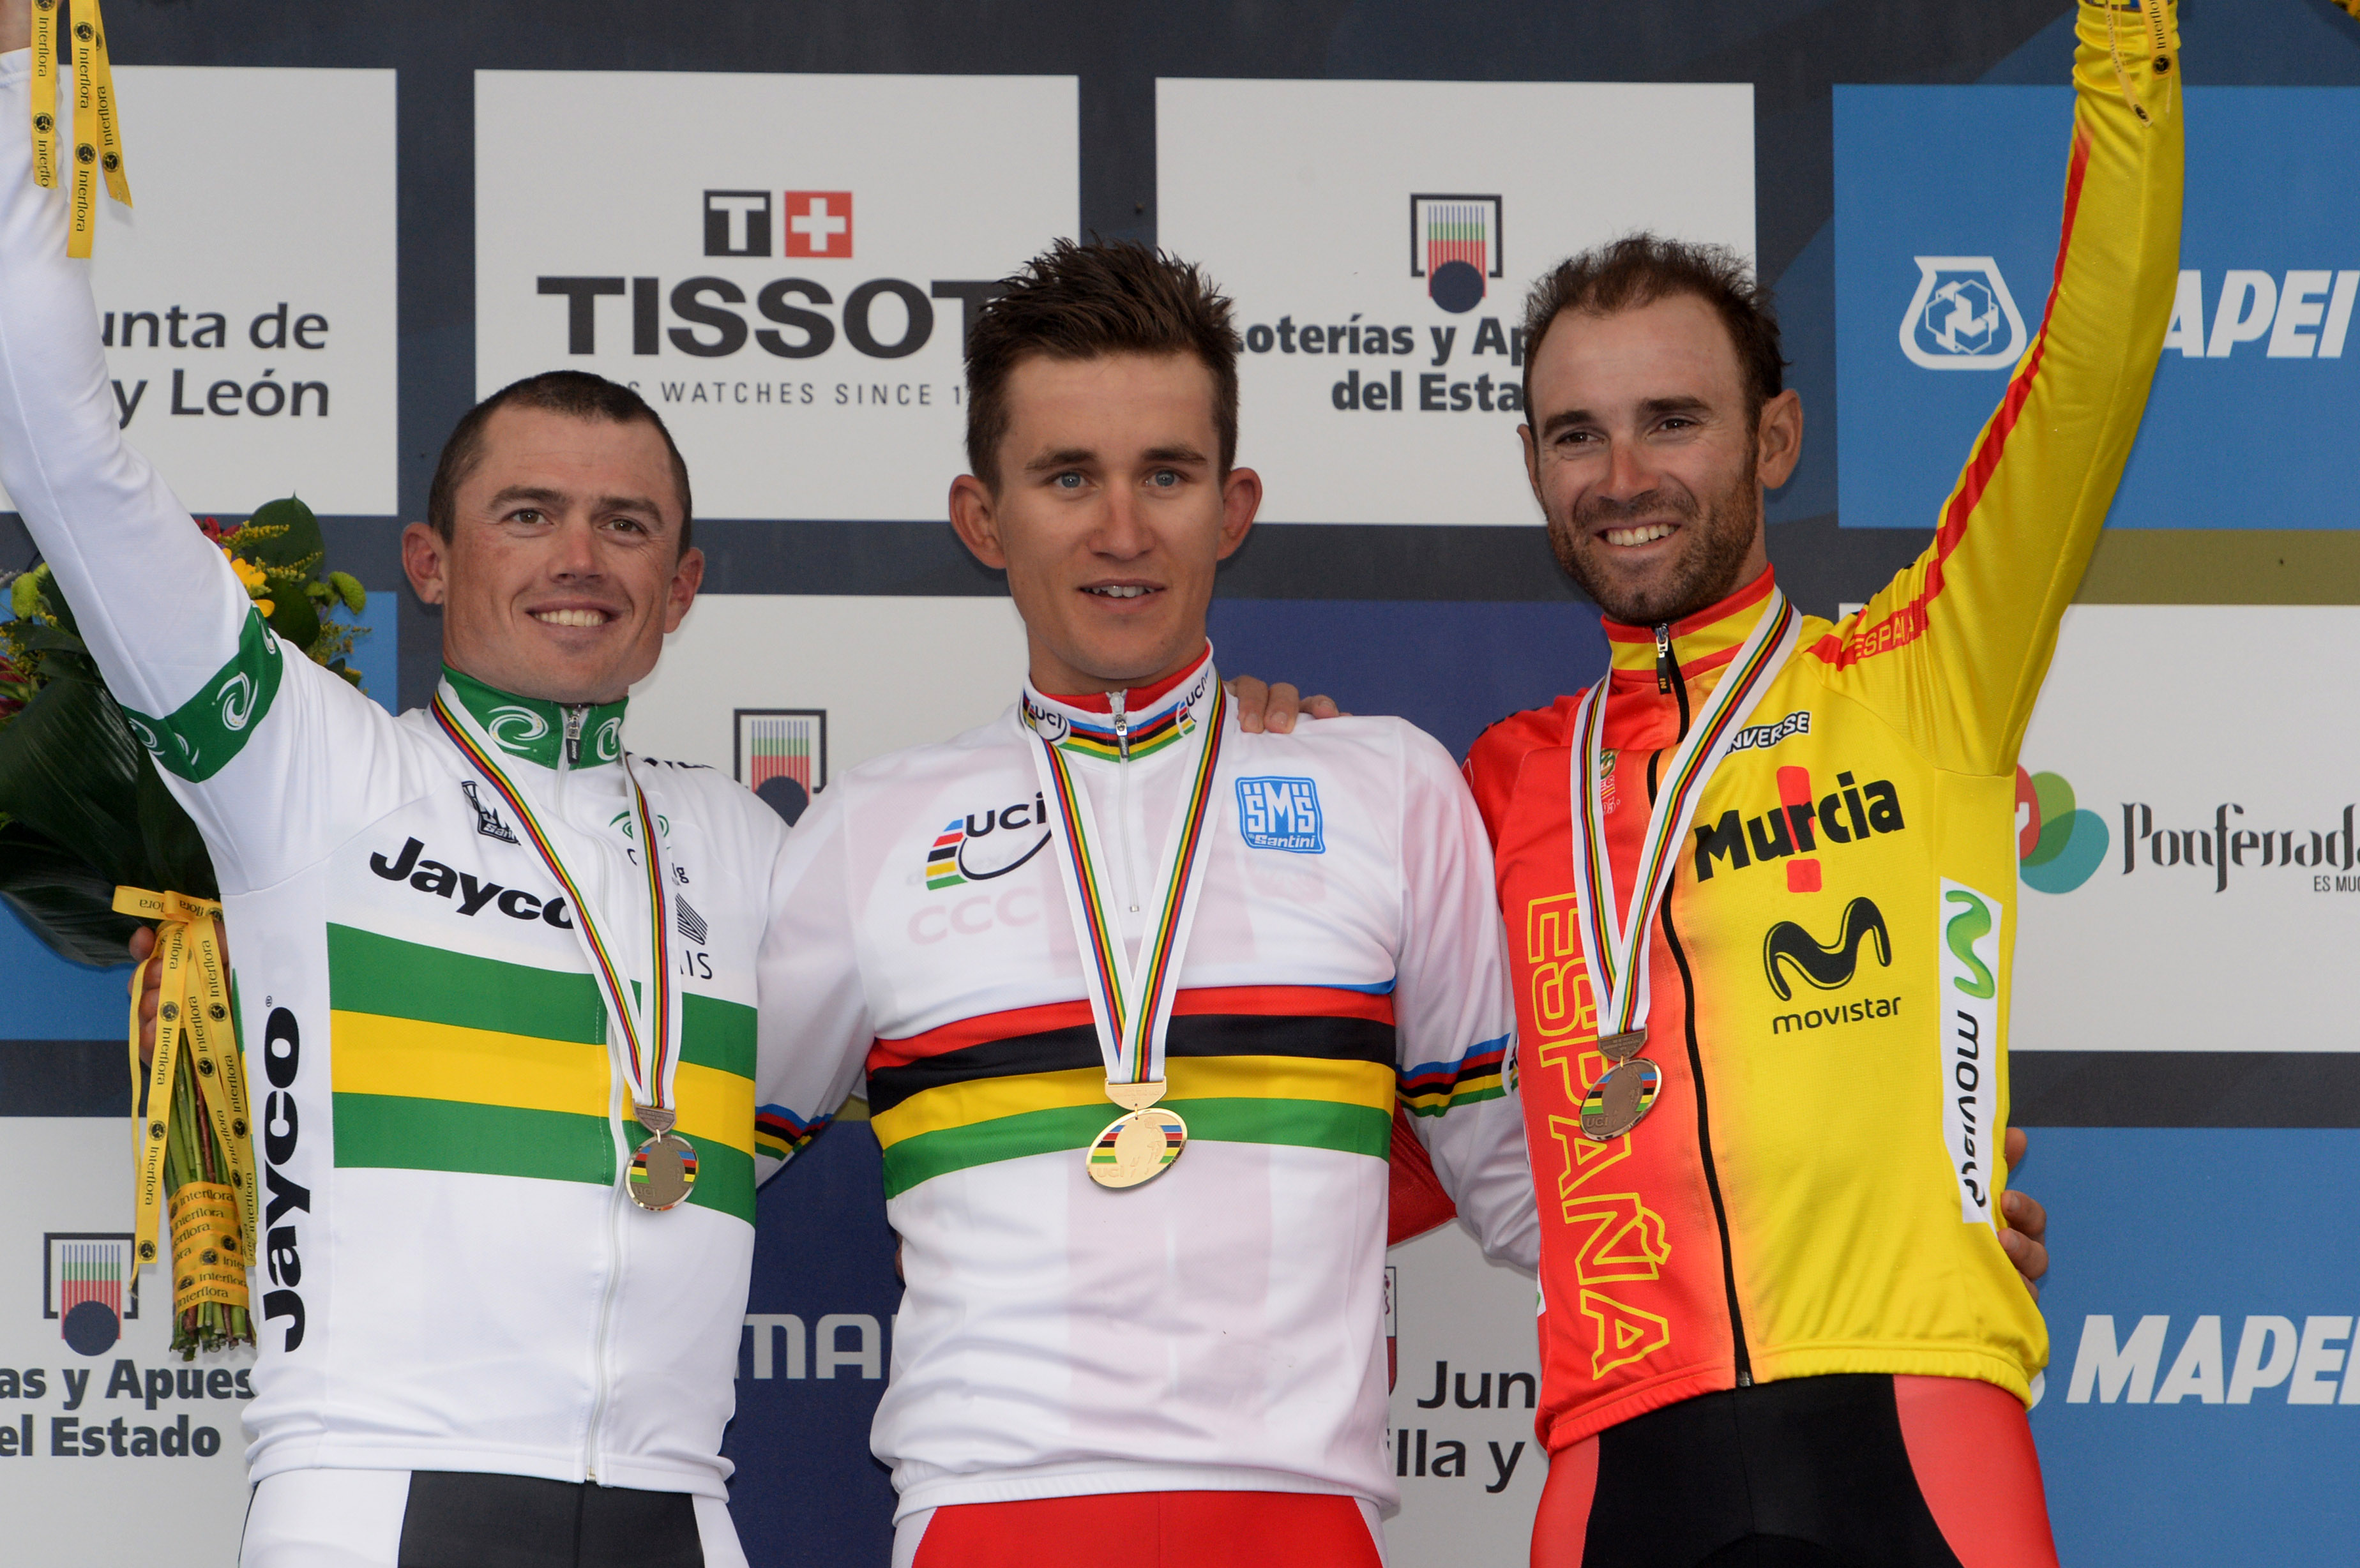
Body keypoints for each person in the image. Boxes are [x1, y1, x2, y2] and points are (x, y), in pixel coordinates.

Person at [1460, 3, 2184, 1563]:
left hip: (1915, 1425)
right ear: (1533, 468)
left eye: (1675, 421)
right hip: (1613, 1459)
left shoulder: (1926, 674)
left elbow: (2094, 360)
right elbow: (1330, 1089)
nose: (1625, 476)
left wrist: (2129, 40)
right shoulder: (1498, 785)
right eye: (1575, 434)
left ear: (1773, 438)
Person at [756, 238, 1539, 1567]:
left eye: (1165, 476)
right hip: (986, 1518)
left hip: (1302, 1518)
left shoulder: (1387, 790)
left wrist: (1904, 1210)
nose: (1122, 530)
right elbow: (681, 1176)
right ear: (982, 515)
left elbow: (1535, 1188)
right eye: (1068, 478)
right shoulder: (867, 832)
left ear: (1231, 507)